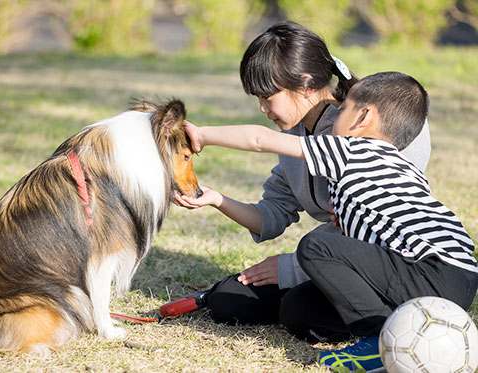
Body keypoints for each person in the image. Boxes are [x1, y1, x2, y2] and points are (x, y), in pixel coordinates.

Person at [182, 71, 478, 372]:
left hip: (429, 268)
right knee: (303, 308)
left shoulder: (348, 149)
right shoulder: (400, 166)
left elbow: (260, 139)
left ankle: (376, 339)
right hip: (459, 276)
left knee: (317, 246)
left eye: (343, 107)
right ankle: (389, 326)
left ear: (362, 118)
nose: (335, 112)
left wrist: (202, 135)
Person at [176, 20, 430, 337]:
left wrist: (291, 268)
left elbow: (373, 230)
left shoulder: (361, 134)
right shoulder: (294, 138)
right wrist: (216, 199)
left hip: (386, 262)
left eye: (268, 97)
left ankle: (391, 322)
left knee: (298, 310)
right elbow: (269, 217)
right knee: (228, 300)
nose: (262, 108)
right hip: (329, 260)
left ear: (306, 84)